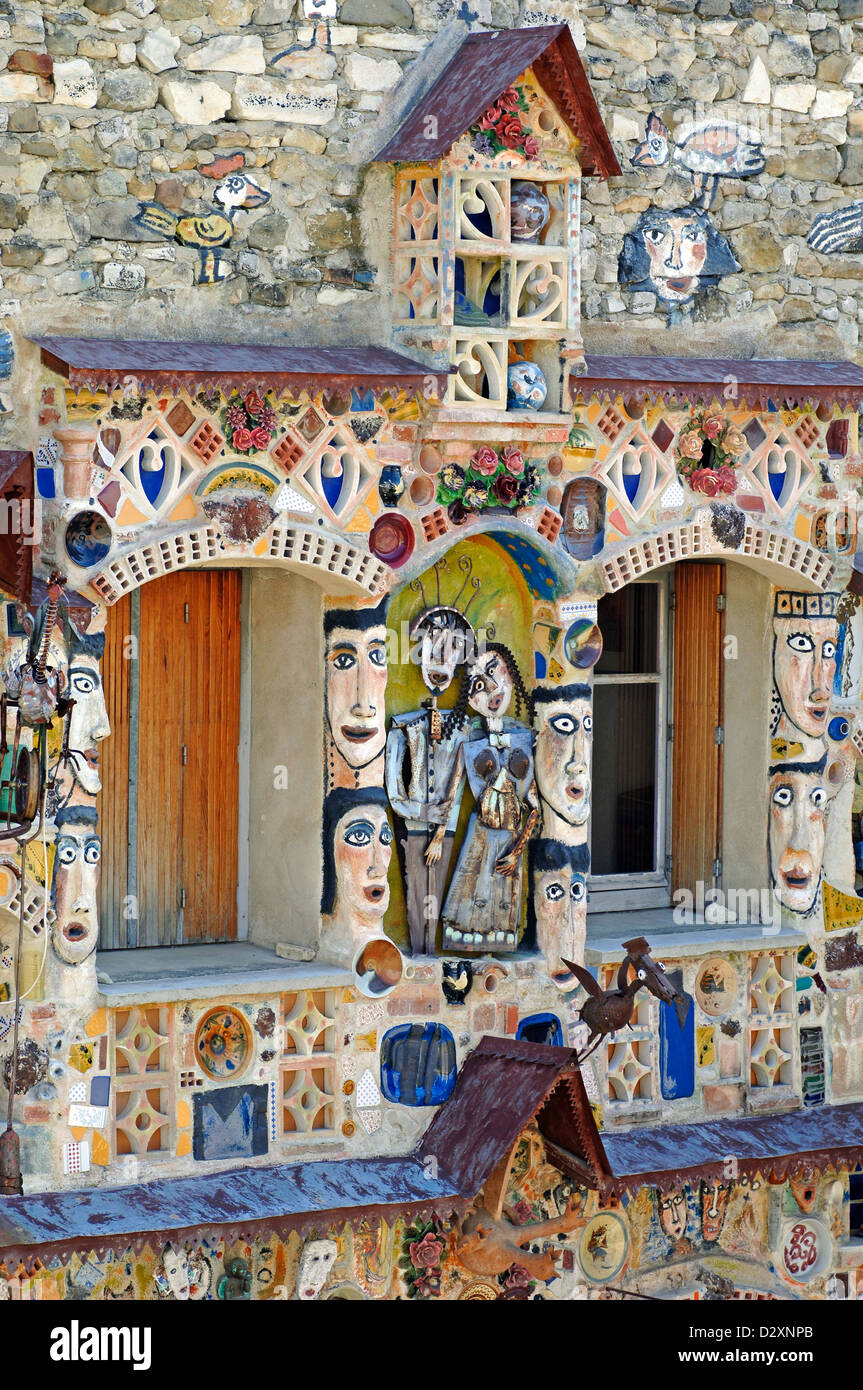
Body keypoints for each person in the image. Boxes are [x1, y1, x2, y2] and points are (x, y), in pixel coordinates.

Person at [427, 643, 538, 952]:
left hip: (510, 837)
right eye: (478, 685)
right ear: (469, 697)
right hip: (480, 834)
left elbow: (534, 808)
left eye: (493, 672)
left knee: (503, 899)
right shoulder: (471, 745)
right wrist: (439, 835)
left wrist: (517, 852)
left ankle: (496, 948)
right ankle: (468, 946)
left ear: (510, 675)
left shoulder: (524, 740)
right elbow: (453, 794)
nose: (490, 688)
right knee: (471, 893)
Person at [385, 603, 474, 954]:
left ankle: (429, 954)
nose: (440, 657)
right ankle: (420, 952)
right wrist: (421, 813)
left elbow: (459, 781)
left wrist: (440, 828)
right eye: (433, 642)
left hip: (442, 826)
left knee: (434, 894)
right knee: (416, 892)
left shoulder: (461, 727)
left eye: (451, 646)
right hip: (413, 821)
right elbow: (393, 786)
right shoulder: (403, 726)